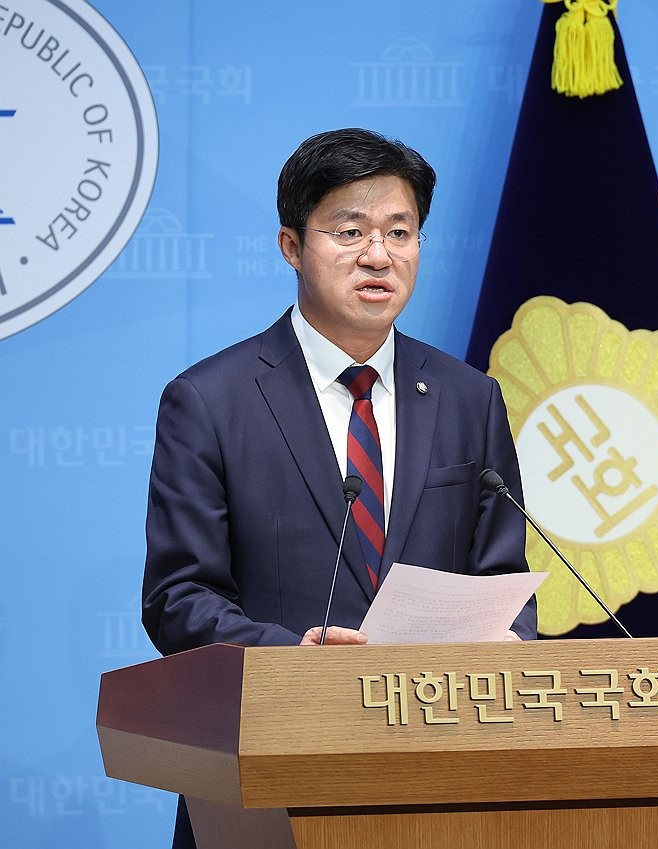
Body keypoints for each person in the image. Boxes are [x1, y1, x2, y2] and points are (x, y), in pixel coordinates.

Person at [141, 128, 536, 849]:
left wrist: (511, 640)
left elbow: (503, 578)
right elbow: (178, 598)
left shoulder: (469, 398)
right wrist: (297, 656)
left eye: (399, 232)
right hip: (268, 775)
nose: (378, 256)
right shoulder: (210, 400)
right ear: (292, 246)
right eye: (349, 232)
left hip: (442, 776)